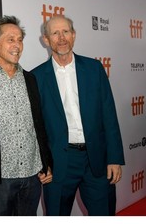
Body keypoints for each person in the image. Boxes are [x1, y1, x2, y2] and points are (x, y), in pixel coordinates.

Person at [31, 15, 125, 216]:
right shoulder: (36, 77)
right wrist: (43, 163)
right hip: (58, 163)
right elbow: (35, 127)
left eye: (66, 31)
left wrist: (115, 158)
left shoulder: (94, 69)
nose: (61, 37)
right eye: (55, 33)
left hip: (97, 161)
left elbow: (109, 115)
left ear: (74, 35)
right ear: (46, 40)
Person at [0, 15, 53, 216]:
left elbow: (38, 125)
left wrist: (46, 161)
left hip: (32, 173)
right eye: (10, 39)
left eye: (20, 39)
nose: (17, 45)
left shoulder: (31, 79)